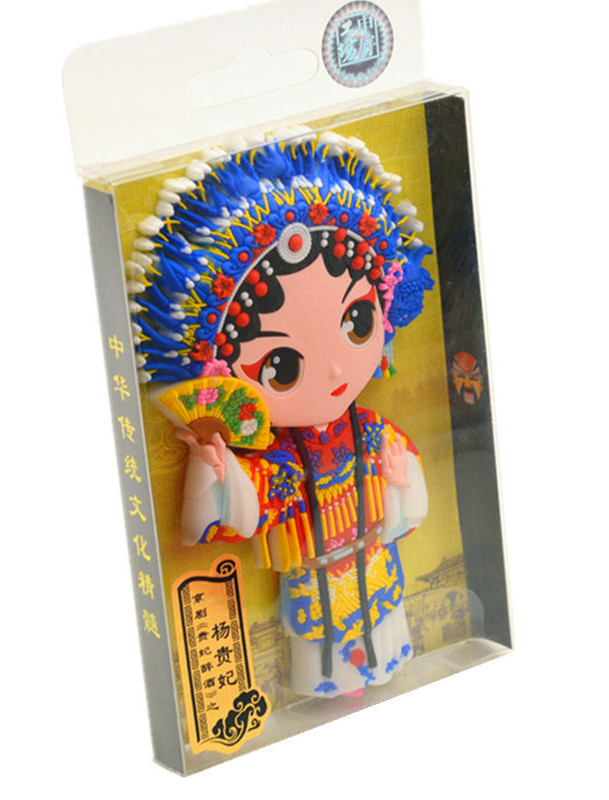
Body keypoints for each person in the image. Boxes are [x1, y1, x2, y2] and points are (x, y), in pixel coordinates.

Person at [131, 129, 434, 696]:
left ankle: (384, 674)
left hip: (376, 564)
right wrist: (215, 469)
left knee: (388, 635)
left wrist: (399, 481)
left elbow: (412, 502)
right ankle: (334, 687)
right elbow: (237, 519)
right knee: (327, 661)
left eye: (357, 323)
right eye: (282, 365)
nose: (335, 371)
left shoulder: (371, 432)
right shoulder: (280, 459)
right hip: (314, 578)